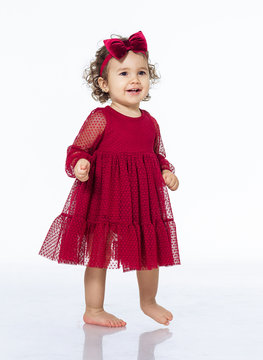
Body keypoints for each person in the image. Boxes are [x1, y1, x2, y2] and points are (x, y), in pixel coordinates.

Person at [38, 31, 181, 328]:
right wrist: (79, 164)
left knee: (148, 252)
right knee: (98, 254)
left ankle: (148, 301)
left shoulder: (150, 121)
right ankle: (94, 308)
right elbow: (79, 148)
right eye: (124, 73)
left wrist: (167, 171)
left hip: (142, 199)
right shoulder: (101, 117)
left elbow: (157, 155)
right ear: (104, 84)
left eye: (141, 72)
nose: (135, 80)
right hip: (106, 195)